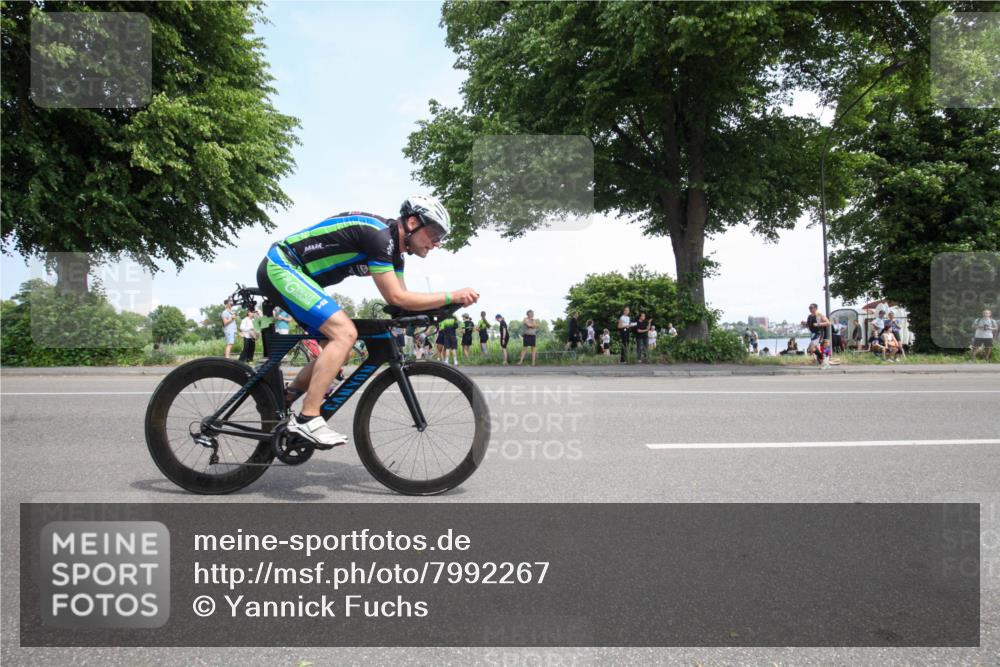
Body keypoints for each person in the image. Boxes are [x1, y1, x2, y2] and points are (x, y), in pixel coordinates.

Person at [256, 194, 478, 447]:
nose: (437, 243)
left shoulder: (396, 253)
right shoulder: (380, 236)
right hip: (282, 266)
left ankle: (287, 396)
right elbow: (397, 296)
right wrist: (452, 294)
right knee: (345, 334)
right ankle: (308, 417)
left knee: (340, 349)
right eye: (435, 234)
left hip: (301, 277)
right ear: (414, 222)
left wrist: (447, 306)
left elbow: (400, 303)